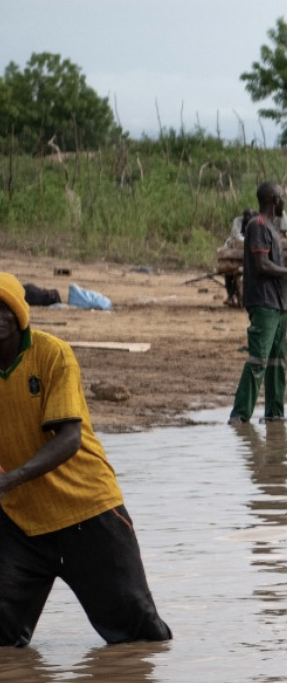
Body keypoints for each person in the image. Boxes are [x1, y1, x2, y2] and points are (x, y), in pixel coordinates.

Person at [0, 272, 172, 647]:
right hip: (22, 520)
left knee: (139, 638)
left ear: (21, 317)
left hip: (87, 513)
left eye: (4, 310)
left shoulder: (53, 355)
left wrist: (9, 479)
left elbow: (69, 438)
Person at [230, 181, 287, 425]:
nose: (284, 202)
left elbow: (274, 267)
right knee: (259, 359)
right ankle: (239, 416)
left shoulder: (274, 231)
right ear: (274, 200)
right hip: (263, 303)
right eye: (282, 198)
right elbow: (262, 266)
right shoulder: (257, 226)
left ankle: (274, 416)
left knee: (277, 362)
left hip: (278, 304)